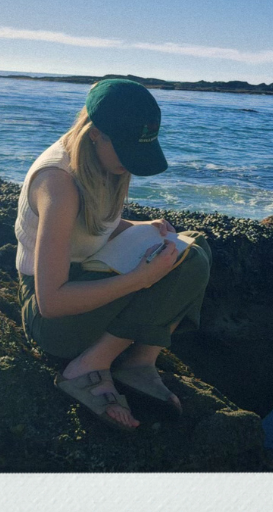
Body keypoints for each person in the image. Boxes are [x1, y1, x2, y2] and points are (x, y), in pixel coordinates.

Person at [15, 78, 212, 432]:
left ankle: (139, 362)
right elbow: (52, 303)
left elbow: (90, 226)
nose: (131, 163)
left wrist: (139, 226)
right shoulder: (58, 184)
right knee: (186, 261)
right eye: (126, 150)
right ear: (96, 134)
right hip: (53, 323)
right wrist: (140, 280)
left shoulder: (102, 163)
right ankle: (87, 367)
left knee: (193, 245)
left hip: (86, 280)